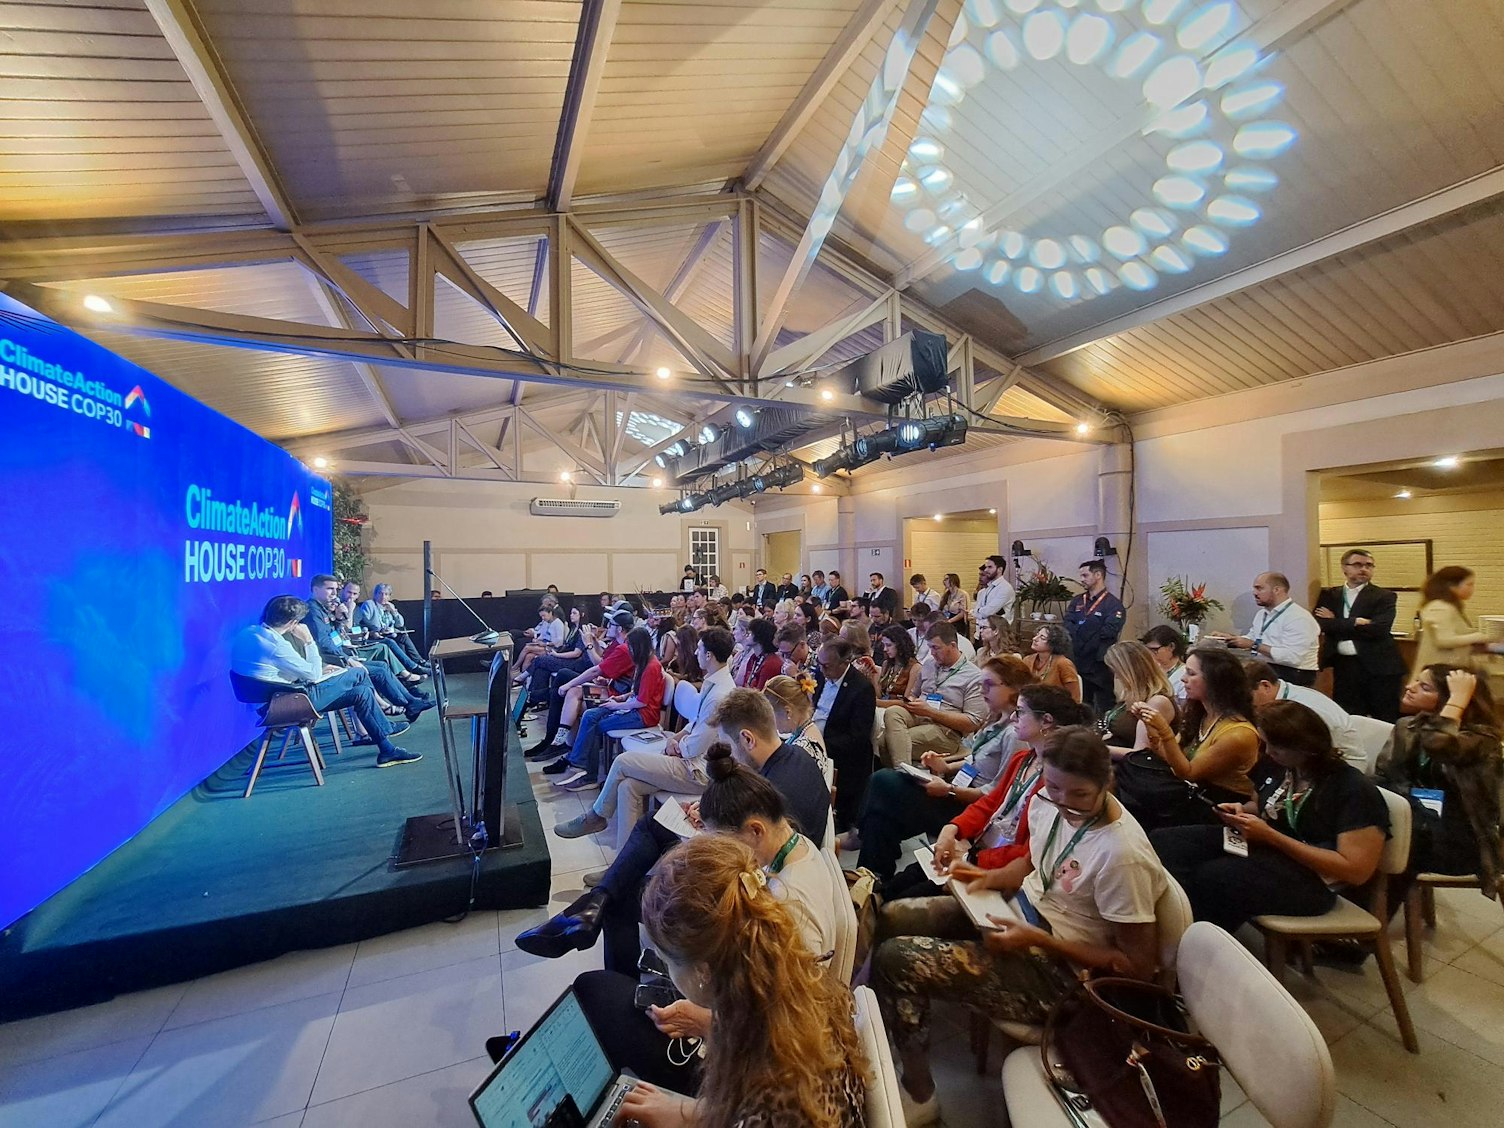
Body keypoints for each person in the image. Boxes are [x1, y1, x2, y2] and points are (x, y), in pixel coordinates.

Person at [874, 727, 1169, 1126]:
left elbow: (1137, 967)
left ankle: (919, 1091)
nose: (1064, 803)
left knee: (897, 960)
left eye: (1080, 794)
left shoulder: (1122, 856)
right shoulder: (1047, 800)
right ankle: (895, 1034)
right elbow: (1030, 864)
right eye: (1054, 787)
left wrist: (1041, 940)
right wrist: (982, 876)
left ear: (1108, 783)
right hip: (1018, 916)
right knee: (894, 916)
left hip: (1066, 976)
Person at [564, 747, 850, 1097]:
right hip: (735, 1016)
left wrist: (700, 1021)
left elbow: (779, 1031)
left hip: (739, 1064)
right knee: (625, 915)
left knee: (593, 988)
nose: (719, 851)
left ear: (755, 830)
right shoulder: (795, 845)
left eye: (722, 842)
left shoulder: (790, 911)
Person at [516, 690, 831, 973]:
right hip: (763, 862)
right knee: (653, 824)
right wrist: (705, 811)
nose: (733, 758)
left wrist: (706, 832)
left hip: (754, 887)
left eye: (731, 748)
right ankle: (595, 902)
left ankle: (601, 921)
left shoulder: (777, 792)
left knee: (626, 896)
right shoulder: (792, 759)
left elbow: (751, 854)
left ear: (748, 739)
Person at [615, 833, 867, 1128]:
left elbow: (757, 1112)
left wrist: (685, 1117)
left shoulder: (771, 1098)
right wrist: (685, 1112)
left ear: (703, 972)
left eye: (667, 961)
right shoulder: (805, 982)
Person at [1153, 700, 1389, 934]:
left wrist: (1271, 836)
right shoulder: (1279, 765)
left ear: (1305, 747)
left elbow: (1355, 871)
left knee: (1215, 876)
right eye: (1266, 744)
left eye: (1276, 748)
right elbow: (1262, 806)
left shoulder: (1352, 789)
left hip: (1315, 879)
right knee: (1167, 842)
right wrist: (1242, 810)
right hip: (1269, 847)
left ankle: (1197, 939)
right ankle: (1173, 926)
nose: (1268, 753)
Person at [854, 657, 1037, 883]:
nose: (982, 690)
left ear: (1013, 688)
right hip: (956, 790)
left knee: (883, 781)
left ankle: (858, 841)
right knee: (880, 818)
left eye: (989, 685)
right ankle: (872, 880)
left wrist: (949, 790)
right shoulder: (995, 718)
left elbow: (997, 794)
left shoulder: (1014, 735)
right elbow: (975, 760)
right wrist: (946, 766)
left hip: (968, 807)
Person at [554, 627, 737, 844]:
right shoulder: (714, 683)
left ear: (709, 655)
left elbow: (695, 746)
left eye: (699, 649)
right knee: (628, 787)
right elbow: (695, 724)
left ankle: (595, 817)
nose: (695, 653)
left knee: (623, 761)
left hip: (698, 771)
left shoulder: (719, 694)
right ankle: (626, 859)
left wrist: (675, 746)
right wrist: (675, 738)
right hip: (691, 761)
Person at [229, 595, 420, 767]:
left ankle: (387, 749)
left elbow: (274, 671)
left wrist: (320, 670)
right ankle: (387, 724)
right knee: (359, 673)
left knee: (361, 693)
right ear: (293, 623)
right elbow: (312, 675)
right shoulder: (276, 645)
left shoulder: (249, 633)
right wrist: (308, 641)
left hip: (274, 699)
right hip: (290, 702)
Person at [1377, 666, 1504, 901]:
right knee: (1368, 829)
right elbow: (1385, 776)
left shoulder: (1481, 740)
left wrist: (1457, 699)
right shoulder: (1408, 726)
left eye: (1424, 687)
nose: (1409, 687)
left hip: (1459, 838)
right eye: (1415, 681)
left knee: (1398, 845)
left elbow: (1439, 745)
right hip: (1415, 823)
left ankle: (1372, 917)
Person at [1125, 647, 1261, 833]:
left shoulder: (1238, 733)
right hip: (1192, 794)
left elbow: (1188, 772)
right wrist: (1150, 725)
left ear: (1214, 681)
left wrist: (1163, 729)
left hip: (1220, 805)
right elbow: (1170, 758)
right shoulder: (1202, 715)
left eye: (1191, 673)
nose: (1183, 679)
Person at [551, 626, 666, 792]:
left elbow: (642, 702)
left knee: (593, 726)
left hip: (643, 715)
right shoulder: (643, 663)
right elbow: (636, 692)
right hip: (633, 707)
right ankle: (579, 763)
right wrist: (620, 698)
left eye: (631, 646)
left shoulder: (651, 667)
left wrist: (617, 705)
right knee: (590, 715)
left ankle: (584, 771)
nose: (629, 650)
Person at [303, 574, 432, 714]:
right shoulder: (312, 611)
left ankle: (411, 700)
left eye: (336, 589)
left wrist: (339, 619)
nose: (334, 593)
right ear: (315, 589)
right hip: (331, 661)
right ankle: (409, 702)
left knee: (383, 664)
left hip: (343, 652)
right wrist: (347, 659)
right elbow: (323, 643)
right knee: (379, 667)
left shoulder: (326, 608)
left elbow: (339, 635)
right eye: (329, 589)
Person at [1315, 548, 1407, 721]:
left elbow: (1379, 629)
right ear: (1344, 567)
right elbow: (1321, 624)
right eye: (1357, 565)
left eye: (1369, 565)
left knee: (1383, 717)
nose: (1364, 569)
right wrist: (1355, 622)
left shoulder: (1384, 596)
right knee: (1348, 715)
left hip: (1379, 665)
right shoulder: (1330, 595)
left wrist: (1337, 622)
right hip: (1344, 665)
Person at [879, 621, 986, 768]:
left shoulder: (974, 676)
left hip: (945, 730)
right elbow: (913, 694)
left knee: (886, 741)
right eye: (929, 647)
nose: (932, 653)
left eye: (936, 648)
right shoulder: (929, 664)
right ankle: (903, 771)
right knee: (893, 712)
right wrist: (912, 701)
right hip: (919, 716)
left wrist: (931, 712)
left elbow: (972, 723)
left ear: (952, 646)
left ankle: (901, 773)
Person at [528, 610, 634, 758]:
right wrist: (594, 641)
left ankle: (557, 739)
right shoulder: (618, 643)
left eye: (611, 624)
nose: (607, 627)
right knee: (563, 683)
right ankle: (556, 739)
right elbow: (603, 660)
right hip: (608, 684)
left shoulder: (624, 647)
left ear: (620, 629)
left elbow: (597, 667)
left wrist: (589, 645)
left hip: (615, 693)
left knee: (566, 685)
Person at [812, 636, 879, 833]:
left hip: (839, 751)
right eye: (819, 664)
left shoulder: (861, 688)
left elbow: (857, 737)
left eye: (827, 666)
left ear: (844, 663)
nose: (822, 670)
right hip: (813, 735)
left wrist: (820, 743)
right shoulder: (820, 675)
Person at [1208, 571, 1320, 686]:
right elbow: (1252, 638)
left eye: (1259, 588)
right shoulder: (1262, 614)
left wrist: (1254, 645)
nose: (1254, 593)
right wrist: (1229, 638)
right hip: (1267, 669)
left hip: (1293, 674)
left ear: (1277, 590)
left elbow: (1292, 658)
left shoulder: (1298, 617)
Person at [1246, 660, 1364, 768]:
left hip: (1340, 766)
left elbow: (1317, 754)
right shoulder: (1285, 695)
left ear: (1265, 685)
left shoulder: (1304, 709)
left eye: (1248, 698)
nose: (1246, 705)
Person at [1063, 559, 1126, 712]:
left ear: (1098, 575)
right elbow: (1067, 623)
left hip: (1099, 663)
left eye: (1085, 575)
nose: (1081, 579)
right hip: (1077, 658)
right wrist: (1087, 631)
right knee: (1081, 703)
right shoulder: (1077, 601)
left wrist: (1082, 631)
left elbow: (1109, 631)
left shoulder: (1113, 605)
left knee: (1104, 703)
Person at [1097, 640, 1178, 757]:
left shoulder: (1157, 702)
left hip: (1132, 764)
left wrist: (1097, 749)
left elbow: (1141, 753)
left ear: (1128, 671)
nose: (1116, 677)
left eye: (1117, 671)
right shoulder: (1130, 695)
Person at [1413, 566, 1489, 673]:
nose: (1472, 589)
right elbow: (1444, 640)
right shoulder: (1439, 607)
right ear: (1452, 586)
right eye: (1469, 584)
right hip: (1437, 671)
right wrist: (1482, 636)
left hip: (1448, 669)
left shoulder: (1450, 606)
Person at [523, 605, 592, 706]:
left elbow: (576, 653)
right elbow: (566, 646)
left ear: (582, 615)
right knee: (541, 669)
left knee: (540, 660)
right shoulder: (573, 628)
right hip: (565, 656)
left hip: (574, 663)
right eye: (571, 613)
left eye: (574, 613)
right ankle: (536, 699)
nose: (571, 615)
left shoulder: (583, 631)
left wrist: (557, 655)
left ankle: (523, 677)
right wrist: (554, 653)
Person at [355, 582, 429, 669]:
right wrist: (380, 629)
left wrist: (393, 611)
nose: (383, 597)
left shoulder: (390, 606)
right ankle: (413, 667)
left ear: (389, 596)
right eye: (380, 593)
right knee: (393, 642)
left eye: (386, 594)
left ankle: (419, 661)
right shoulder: (369, 604)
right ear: (375, 594)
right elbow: (364, 621)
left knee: (404, 637)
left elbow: (400, 624)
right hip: (375, 635)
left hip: (389, 634)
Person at [1024, 622, 1082, 703]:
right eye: (1037, 635)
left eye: (1042, 638)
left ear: (1054, 643)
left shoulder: (1063, 663)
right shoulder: (1027, 660)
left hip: (1056, 707)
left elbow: (1074, 698)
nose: (1035, 639)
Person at [874, 625, 923, 706]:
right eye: (884, 645)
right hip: (882, 705)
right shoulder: (886, 664)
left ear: (900, 645)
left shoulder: (915, 668)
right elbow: (879, 695)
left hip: (899, 709)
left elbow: (907, 701)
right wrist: (873, 676)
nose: (885, 649)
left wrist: (879, 703)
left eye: (889, 645)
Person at [1139, 624, 1189, 703]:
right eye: (1147, 650)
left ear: (1171, 647)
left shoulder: (1184, 674)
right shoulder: (1150, 670)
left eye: (1154, 650)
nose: (1150, 654)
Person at [733, 617, 782, 691]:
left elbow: (760, 692)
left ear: (758, 637)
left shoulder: (771, 663)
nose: (747, 635)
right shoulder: (754, 658)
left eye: (750, 633)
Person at [973, 554, 1015, 626]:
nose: (986, 570)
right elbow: (978, 611)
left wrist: (977, 612)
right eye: (986, 567)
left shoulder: (1005, 588)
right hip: (983, 628)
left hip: (998, 629)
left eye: (990, 567)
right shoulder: (988, 587)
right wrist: (977, 612)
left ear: (1000, 569)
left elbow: (988, 612)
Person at [939, 572, 971, 639]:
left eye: (946, 579)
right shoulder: (947, 594)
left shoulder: (962, 594)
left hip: (958, 623)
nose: (944, 581)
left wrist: (949, 621)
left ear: (953, 580)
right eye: (944, 579)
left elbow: (962, 613)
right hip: (947, 620)